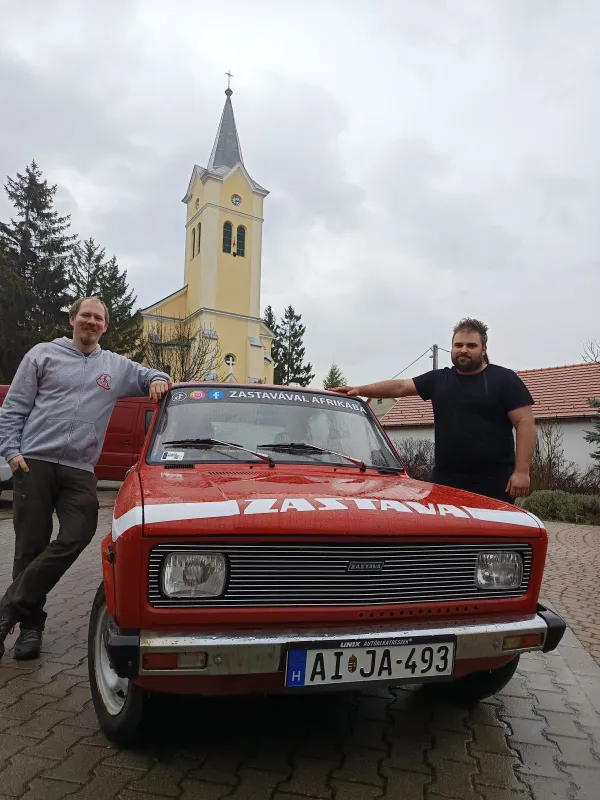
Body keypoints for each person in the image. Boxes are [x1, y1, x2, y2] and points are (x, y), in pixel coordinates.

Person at [0, 297, 170, 662]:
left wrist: (158, 379)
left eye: (98, 318)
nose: (91, 322)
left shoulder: (115, 366)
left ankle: (7, 609)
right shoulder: (42, 355)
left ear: (104, 327)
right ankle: (30, 627)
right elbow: (13, 407)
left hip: (80, 469)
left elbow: (150, 375)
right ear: (73, 319)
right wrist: (12, 453)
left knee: (77, 534)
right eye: (86, 315)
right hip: (34, 463)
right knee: (30, 546)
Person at [333, 318, 535, 504]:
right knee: (447, 541)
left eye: (471, 345)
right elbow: (400, 387)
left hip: (494, 483)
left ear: (484, 349)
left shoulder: (504, 380)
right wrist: (360, 390)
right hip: (446, 481)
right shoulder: (439, 379)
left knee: (490, 542)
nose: (463, 350)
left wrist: (522, 472)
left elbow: (525, 424)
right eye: (458, 345)